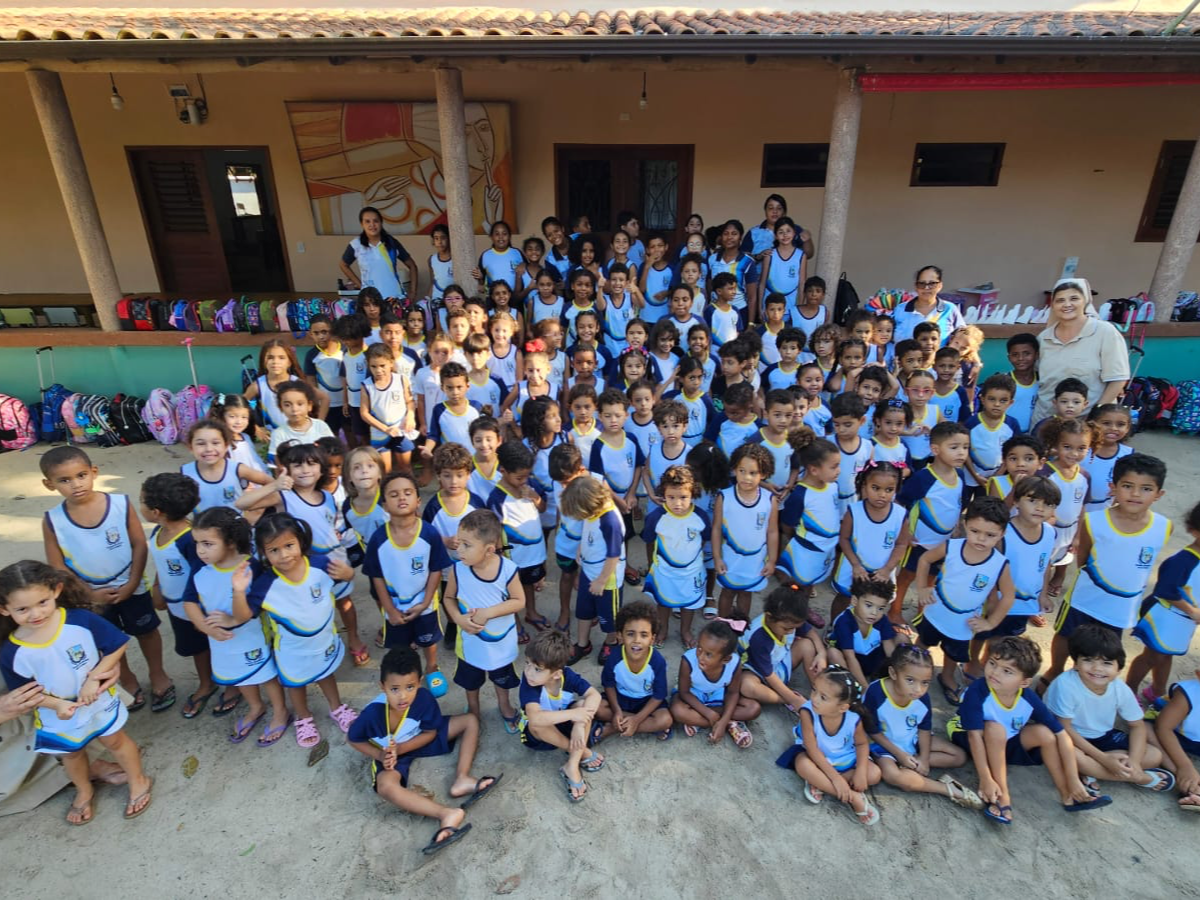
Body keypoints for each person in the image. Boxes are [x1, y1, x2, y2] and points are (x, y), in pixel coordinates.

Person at [0, 558, 158, 827]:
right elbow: (25, 692)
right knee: (70, 754)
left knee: (115, 742)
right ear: (5, 609)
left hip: (98, 700)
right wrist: (56, 705)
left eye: (42, 602)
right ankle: (84, 790)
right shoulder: (11, 652)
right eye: (22, 609)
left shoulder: (80, 620)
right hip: (56, 714)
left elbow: (117, 644)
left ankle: (138, 780)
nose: (35, 614)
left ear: (56, 591)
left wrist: (95, 678)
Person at [40, 446, 172, 715]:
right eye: (64, 480)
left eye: (81, 475)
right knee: (107, 642)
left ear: (94, 472)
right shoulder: (53, 521)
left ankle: (158, 674)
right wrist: (88, 594)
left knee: (147, 630)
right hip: (89, 597)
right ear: (49, 484)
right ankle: (127, 679)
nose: (76, 484)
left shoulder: (120, 504)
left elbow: (139, 544)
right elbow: (57, 566)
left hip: (132, 586)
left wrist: (133, 582)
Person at [347, 647, 499, 855]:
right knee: (385, 786)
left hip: (416, 739)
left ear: (419, 682)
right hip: (389, 753)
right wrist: (380, 755)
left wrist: (402, 748)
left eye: (410, 687)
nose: (403, 696)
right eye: (394, 689)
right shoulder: (372, 714)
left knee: (470, 721)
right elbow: (353, 738)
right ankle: (445, 814)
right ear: (383, 687)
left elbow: (430, 732)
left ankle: (462, 778)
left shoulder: (424, 698)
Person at [949, 635, 1111, 825]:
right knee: (995, 729)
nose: (995, 672)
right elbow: (973, 736)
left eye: (1007, 671)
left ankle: (1068, 794)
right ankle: (1003, 796)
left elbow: (1061, 734)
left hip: (1004, 742)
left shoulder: (1027, 698)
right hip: (965, 736)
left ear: (1024, 682)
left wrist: (1073, 778)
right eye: (992, 663)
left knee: (1045, 733)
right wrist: (985, 778)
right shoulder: (978, 690)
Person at [1044, 453, 1171, 686]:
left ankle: (1083, 680)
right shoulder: (1094, 521)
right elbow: (1083, 558)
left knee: (1105, 649)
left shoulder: (1164, 527)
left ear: (1158, 494)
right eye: (1127, 486)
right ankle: (1055, 670)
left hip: (1120, 607)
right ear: (1113, 488)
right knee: (1066, 635)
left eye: (1146, 488)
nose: (1135, 494)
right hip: (1084, 599)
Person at [237, 441, 368, 666]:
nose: (305, 470)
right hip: (303, 564)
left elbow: (331, 524)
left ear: (321, 468)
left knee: (344, 601)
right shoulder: (283, 497)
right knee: (310, 605)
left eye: (311, 464)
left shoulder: (327, 496)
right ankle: (319, 643)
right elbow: (242, 503)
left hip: (333, 560)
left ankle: (353, 637)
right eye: (297, 465)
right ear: (287, 470)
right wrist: (273, 485)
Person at [246, 513, 359, 747]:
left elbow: (348, 577)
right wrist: (238, 592)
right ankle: (303, 717)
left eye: (289, 545)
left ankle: (337, 707)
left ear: (300, 541)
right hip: (292, 650)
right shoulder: (265, 585)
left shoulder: (320, 565)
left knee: (326, 674)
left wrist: (348, 573)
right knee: (295, 683)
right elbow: (246, 613)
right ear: (263, 552)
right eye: (274, 550)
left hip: (323, 642)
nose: (284, 555)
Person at [183, 507, 291, 747]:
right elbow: (189, 601)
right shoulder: (199, 569)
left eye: (208, 544)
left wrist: (235, 614)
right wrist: (205, 627)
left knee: (266, 674)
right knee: (238, 674)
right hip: (220, 639)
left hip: (253, 636)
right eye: (197, 543)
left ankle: (280, 711)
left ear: (231, 542)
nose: (200, 550)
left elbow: (260, 604)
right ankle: (256, 706)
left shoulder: (251, 566)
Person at [1045, 625, 1174, 792]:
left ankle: (1093, 771)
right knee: (1072, 755)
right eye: (1088, 660)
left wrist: (1134, 762)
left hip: (1103, 736)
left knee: (1154, 755)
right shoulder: (1065, 685)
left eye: (1106, 663)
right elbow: (1065, 728)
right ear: (1076, 663)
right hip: (1068, 736)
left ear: (1118, 669)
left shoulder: (1120, 688)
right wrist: (1104, 759)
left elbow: (1137, 726)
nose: (1097, 668)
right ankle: (1139, 777)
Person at [913, 497, 1015, 702]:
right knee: (922, 643)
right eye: (975, 531)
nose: (981, 539)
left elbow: (1008, 595)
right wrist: (922, 588)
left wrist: (991, 623)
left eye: (990, 535)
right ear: (965, 525)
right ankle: (913, 670)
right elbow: (924, 560)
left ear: (1002, 534)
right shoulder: (951, 547)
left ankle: (947, 676)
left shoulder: (999, 564)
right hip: (935, 612)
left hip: (963, 623)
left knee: (954, 653)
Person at [139, 473, 222, 720]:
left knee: (215, 646)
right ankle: (208, 682)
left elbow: (201, 576)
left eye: (141, 501)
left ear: (156, 512)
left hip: (196, 608)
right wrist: (158, 587)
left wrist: (195, 609)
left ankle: (228, 685)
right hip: (176, 607)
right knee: (197, 649)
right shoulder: (158, 531)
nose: (139, 505)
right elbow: (162, 564)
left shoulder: (190, 540)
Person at [365, 470, 453, 697]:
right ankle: (409, 675)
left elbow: (436, 569)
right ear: (384, 505)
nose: (402, 497)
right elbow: (376, 577)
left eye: (407, 492)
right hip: (395, 607)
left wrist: (425, 602)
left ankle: (432, 668)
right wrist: (390, 610)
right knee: (400, 646)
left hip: (424, 603)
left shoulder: (429, 533)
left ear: (418, 500)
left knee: (428, 640)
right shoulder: (378, 539)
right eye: (393, 495)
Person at [864, 644, 981, 808]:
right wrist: (900, 755)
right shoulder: (876, 693)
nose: (918, 689)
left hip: (912, 738)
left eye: (925, 683)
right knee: (892, 775)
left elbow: (924, 729)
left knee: (959, 756)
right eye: (910, 680)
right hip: (885, 745)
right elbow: (872, 731)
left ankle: (912, 764)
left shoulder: (922, 698)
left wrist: (924, 759)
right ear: (893, 673)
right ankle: (946, 789)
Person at [444, 510, 524, 730]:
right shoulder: (458, 570)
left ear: (489, 549)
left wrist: (488, 612)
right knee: (471, 681)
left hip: (501, 644)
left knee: (502, 678)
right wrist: (458, 619)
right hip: (470, 644)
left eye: (466, 545)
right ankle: (473, 709)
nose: (459, 549)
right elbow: (448, 598)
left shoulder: (507, 570)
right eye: (459, 542)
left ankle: (504, 705)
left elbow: (519, 601)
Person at [776, 665, 882, 825]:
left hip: (844, 758)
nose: (814, 698)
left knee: (874, 774)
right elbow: (811, 749)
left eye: (823, 697)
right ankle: (853, 797)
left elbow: (861, 744)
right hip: (815, 757)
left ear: (843, 707)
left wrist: (860, 771)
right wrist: (836, 779)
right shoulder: (807, 712)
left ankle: (821, 784)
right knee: (802, 765)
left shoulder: (853, 720)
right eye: (814, 690)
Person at [891, 422, 970, 627]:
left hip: (942, 543)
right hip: (919, 541)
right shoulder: (923, 478)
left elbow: (957, 504)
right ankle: (894, 611)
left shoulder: (960, 475)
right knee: (907, 576)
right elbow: (900, 503)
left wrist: (958, 527)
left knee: (931, 578)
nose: (961, 453)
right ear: (935, 449)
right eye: (954, 447)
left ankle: (922, 613)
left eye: (965, 447)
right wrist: (904, 533)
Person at [518, 630, 604, 803]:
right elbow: (535, 719)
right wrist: (574, 715)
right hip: (538, 736)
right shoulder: (530, 684)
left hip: (562, 723)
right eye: (527, 663)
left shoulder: (567, 676)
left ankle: (572, 765)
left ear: (557, 673)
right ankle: (580, 751)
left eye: (537, 669)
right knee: (537, 723)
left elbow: (594, 695)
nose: (529, 672)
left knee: (584, 705)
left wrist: (579, 724)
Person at [1130, 500, 1200, 706]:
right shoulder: (1184, 561)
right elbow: (1165, 590)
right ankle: (1130, 690)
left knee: (1164, 655)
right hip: (1163, 616)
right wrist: (1192, 611)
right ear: (1194, 531)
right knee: (1151, 657)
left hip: (1182, 620)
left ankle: (1157, 691)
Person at [1034, 277, 1130, 422]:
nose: (1067, 304)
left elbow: (1118, 379)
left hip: (1087, 422)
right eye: (1060, 300)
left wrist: (1096, 415)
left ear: (1085, 301)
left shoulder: (1104, 332)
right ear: (1053, 305)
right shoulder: (1044, 338)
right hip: (1045, 419)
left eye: (1074, 298)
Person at [831, 462, 910, 621]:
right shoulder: (854, 511)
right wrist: (856, 565)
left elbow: (901, 544)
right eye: (875, 488)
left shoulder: (900, 515)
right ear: (864, 486)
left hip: (882, 572)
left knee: (875, 605)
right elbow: (844, 539)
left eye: (889, 490)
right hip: (853, 568)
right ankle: (834, 626)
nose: (882, 495)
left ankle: (864, 630)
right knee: (844, 598)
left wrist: (887, 569)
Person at [560, 475, 626, 666]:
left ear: (590, 506)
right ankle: (583, 643)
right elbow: (588, 532)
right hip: (589, 571)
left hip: (607, 579)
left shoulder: (610, 522)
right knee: (584, 611)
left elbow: (613, 555)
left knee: (609, 617)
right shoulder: (593, 512)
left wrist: (602, 580)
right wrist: (581, 549)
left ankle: (611, 641)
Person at [643, 465, 711, 650]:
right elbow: (649, 542)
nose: (677, 503)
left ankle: (685, 631)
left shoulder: (700, 517)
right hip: (664, 572)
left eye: (683, 497)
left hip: (692, 572)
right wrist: (651, 565)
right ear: (663, 494)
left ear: (693, 494)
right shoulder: (656, 517)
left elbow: (704, 539)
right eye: (671, 497)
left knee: (689, 603)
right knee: (663, 601)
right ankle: (662, 629)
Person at [670, 620, 760, 748]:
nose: (701, 656)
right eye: (699, 648)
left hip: (719, 694)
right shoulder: (688, 660)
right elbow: (684, 692)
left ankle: (704, 722)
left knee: (753, 708)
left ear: (726, 659)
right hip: (693, 694)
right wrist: (709, 714)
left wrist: (723, 720)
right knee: (678, 711)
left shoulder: (734, 663)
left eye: (708, 654)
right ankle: (729, 723)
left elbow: (733, 692)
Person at [712, 444, 778, 619]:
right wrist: (717, 557)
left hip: (755, 559)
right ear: (734, 470)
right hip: (730, 558)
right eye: (742, 471)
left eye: (753, 473)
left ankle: (740, 625)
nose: (747, 477)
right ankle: (722, 624)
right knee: (727, 592)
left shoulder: (769, 500)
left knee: (746, 593)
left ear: (764, 474)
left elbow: (772, 531)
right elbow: (716, 528)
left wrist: (772, 560)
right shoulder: (724, 497)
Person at [737, 582, 825, 710]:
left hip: (780, 663)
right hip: (757, 673)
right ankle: (788, 700)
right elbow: (768, 674)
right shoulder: (759, 638)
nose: (791, 631)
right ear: (768, 617)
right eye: (786, 628)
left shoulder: (789, 618)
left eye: (795, 628)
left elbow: (810, 632)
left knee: (807, 645)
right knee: (747, 686)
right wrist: (792, 698)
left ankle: (820, 690)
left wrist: (822, 654)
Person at [594, 602, 673, 742]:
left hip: (647, 702)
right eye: (630, 634)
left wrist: (637, 719)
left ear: (652, 639)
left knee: (665, 720)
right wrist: (617, 711)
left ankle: (614, 728)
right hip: (620, 698)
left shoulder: (657, 662)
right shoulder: (614, 657)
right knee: (597, 708)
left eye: (644, 635)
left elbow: (659, 695)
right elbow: (608, 684)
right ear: (620, 636)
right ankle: (641, 724)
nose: (637, 640)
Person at [181, 420, 273, 514]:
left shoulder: (237, 469)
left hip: (236, 523)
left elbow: (271, 483)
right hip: (201, 523)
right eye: (201, 444)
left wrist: (257, 511)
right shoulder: (185, 473)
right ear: (190, 447)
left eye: (215, 443)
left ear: (226, 446)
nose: (209, 449)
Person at [828, 578, 898, 689]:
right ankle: (853, 685)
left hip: (874, 661)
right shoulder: (844, 622)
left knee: (902, 638)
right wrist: (865, 688)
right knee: (833, 653)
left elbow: (889, 650)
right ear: (854, 601)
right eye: (869, 605)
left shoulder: (882, 620)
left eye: (881, 608)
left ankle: (887, 678)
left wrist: (897, 673)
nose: (874, 613)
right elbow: (850, 657)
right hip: (851, 662)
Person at [338, 206, 419, 300]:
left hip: (394, 298)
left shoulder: (391, 243)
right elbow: (343, 265)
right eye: (367, 221)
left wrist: (413, 292)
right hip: (371, 301)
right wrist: (361, 286)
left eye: (375, 221)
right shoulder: (356, 245)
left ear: (381, 223)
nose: (372, 225)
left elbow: (412, 266)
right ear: (362, 224)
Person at [1154, 670, 1200, 812]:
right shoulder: (1187, 694)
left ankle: (1194, 789)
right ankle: (1190, 783)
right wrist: (1185, 766)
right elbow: (1163, 728)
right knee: (1145, 729)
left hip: (1196, 741)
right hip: (1171, 731)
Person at [892, 265, 966, 344]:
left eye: (932, 283)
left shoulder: (949, 309)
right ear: (916, 286)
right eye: (922, 283)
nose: (926, 288)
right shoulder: (900, 309)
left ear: (940, 286)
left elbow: (965, 337)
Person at [266, 381, 335, 465]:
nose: (294, 409)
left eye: (300, 404)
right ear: (280, 408)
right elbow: (277, 464)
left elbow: (333, 452)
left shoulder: (320, 426)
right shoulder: (279, 434)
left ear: (309, 405)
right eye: (287, 405)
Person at [1005, 332, 1041, 433]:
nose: (1020, 358)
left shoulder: (1042, 381)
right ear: (1009, 358)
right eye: (1015, 355)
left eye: (1026, 354)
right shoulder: (1004, 381)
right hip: (1008, 434)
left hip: (1034, 434)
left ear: (1036, 355)